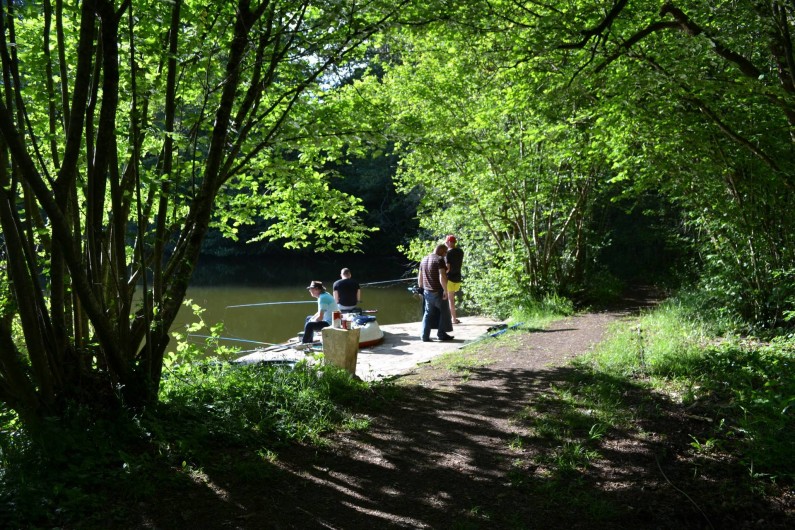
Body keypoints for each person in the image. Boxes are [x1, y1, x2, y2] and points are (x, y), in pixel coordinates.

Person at [417, 243, 454, 342]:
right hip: (438, 291)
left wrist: (420, 288)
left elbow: (420, 277)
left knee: (428, 313)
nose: (445, 254)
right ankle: (441, 334)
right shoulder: (439, 259)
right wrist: (445, 290)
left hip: (427, 292)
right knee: (444, 312)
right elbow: (442, 276)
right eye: (445, 252)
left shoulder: (424, 259)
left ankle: (424, 336)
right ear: (441, 250)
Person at [445, 235, 464, 324]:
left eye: (446, 242)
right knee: (453, 298)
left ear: (449, 242)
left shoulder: (448, 253)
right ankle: (453, 318)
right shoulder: (460, 251)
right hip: (458, 278)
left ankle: (453, 319)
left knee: (451, 300)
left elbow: (448, 268)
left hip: (450, 279)